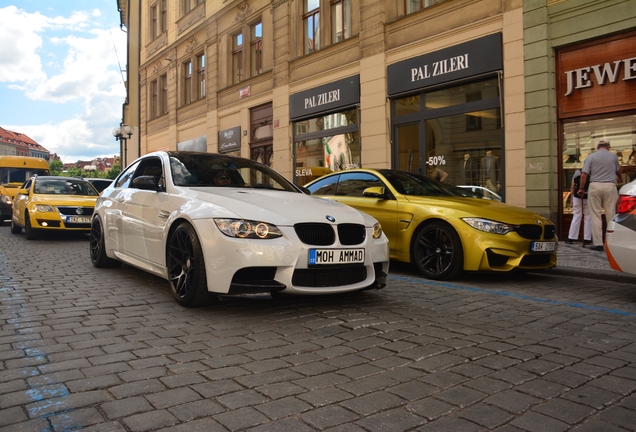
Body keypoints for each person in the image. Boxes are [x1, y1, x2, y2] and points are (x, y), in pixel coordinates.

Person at [577, 139, 621, 251]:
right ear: (608, 146)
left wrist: (581, 188)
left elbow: (583, 175)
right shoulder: (613, 156)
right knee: (611, 214)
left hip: (595, 186)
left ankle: (598, 243)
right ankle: (612, 242)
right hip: (610, 186)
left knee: (595, 214)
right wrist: (619, 178)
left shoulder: (591, 157)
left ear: (597, 147)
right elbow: (618, 170)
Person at [566, 169, 591, 245]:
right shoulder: (592, 172)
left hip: (577, 196)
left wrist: (571, 198)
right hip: (589, 196)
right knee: (588, 217)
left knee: (576, 216)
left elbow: (573, 186)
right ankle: (587, 238)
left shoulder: (578, 172)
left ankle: (571, 237)